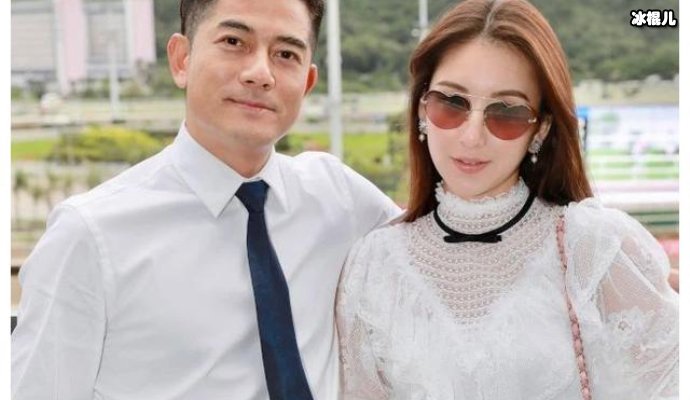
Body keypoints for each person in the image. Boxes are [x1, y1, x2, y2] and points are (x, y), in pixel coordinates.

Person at [11, 0, 400, 398]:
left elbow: (433, 248)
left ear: (308, 81)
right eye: (234, 42)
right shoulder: (90, 235)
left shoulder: (339, 198)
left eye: (286, 54)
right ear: (181, 59)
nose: (260, 73)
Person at [336, 0, 679, 399]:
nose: (471, 136)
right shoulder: (374, 265)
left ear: (540, 129)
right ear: (422, 110)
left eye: (507, 113)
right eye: (452, 103)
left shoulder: (594, 249)